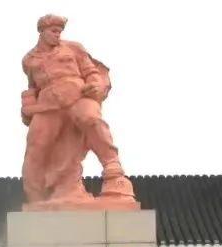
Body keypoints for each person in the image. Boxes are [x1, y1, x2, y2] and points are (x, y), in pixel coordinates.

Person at [20, 15, 136, 206]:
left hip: (78, 93)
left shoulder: (74, 48)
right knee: (36, 145)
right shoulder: (29, 60)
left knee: (91, 119)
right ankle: (37, 197)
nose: (57, 35)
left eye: (59, 31)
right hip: (48, 104)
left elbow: (91, 72)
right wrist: (27, 106)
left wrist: (95, 84)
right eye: (53, 31)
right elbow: (33, 87)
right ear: (42, 31)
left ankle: (112, 167)